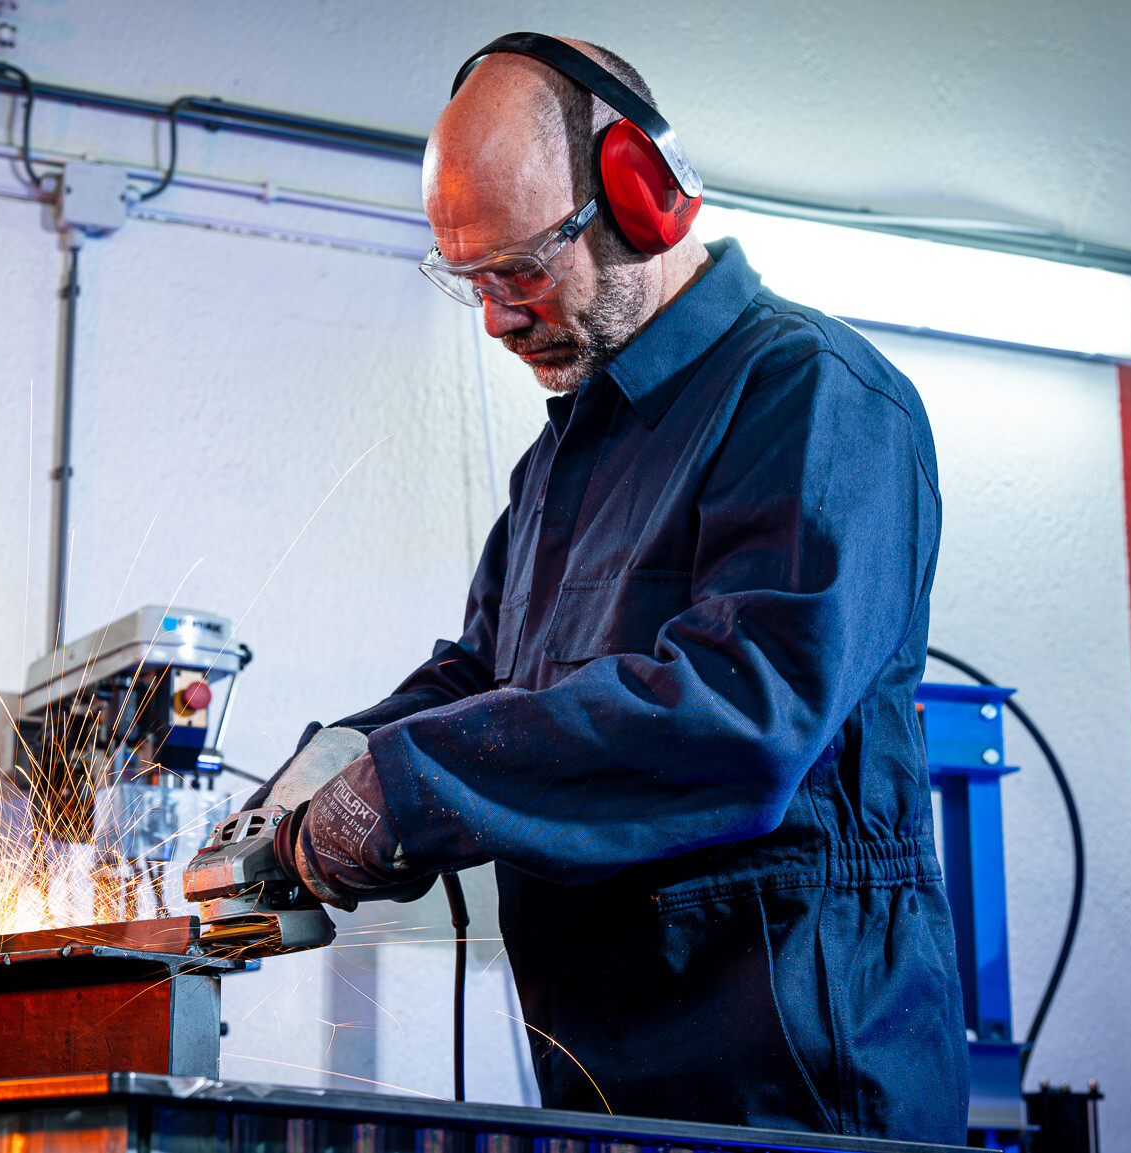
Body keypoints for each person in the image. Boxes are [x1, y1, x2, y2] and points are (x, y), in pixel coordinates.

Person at [263, 34, 968, 1143]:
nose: (497, 318)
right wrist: (332, 765)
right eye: (470, 283)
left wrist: (408, 787)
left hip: (790, 1083)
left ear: (640, 197)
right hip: (600, 1083)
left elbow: (742, 707)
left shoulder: (811, 398)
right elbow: (479, 677)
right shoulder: (560, 459)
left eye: (520, 271)